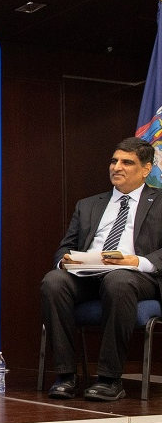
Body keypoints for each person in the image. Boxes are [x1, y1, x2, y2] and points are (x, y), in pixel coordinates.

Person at [41, 137, 162, 401]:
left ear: (146, 169)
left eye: (126, 162)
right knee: (53, 281)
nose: (116, 167)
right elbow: (64, 248)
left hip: (138, 277)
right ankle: (65, 376)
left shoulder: (160, 201)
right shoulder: (89, 204)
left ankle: (109, 379)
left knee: (118, 280)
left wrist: (136, 261)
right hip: (88, 274)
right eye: (114, 160)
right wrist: (66, 261)